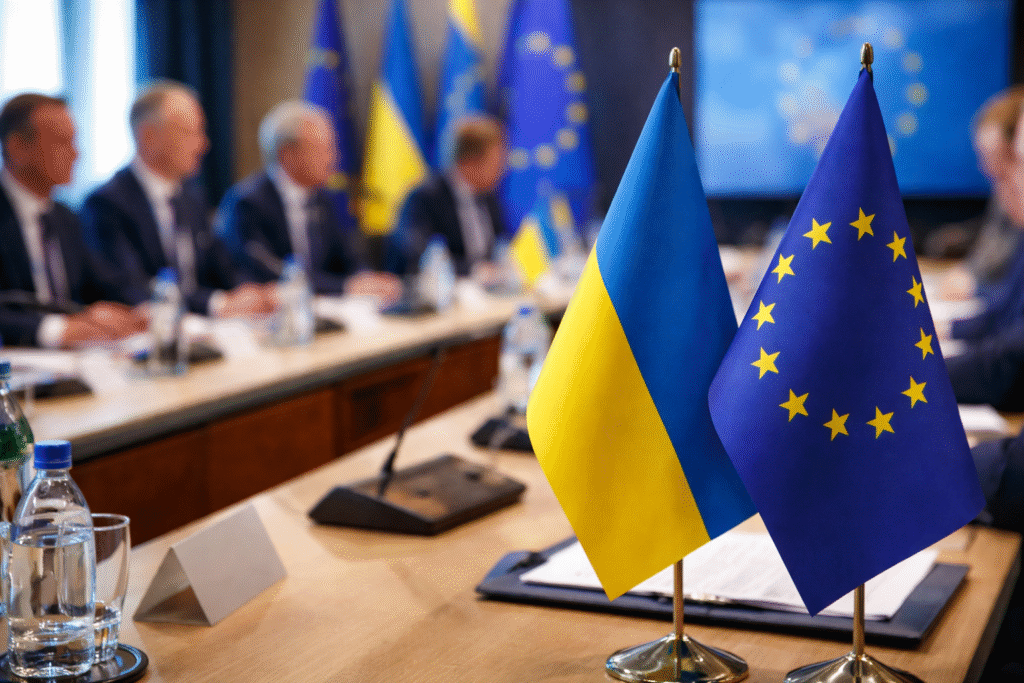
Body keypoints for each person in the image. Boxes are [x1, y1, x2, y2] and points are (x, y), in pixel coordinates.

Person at [80, 82, 274, 318]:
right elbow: (131, 288)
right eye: (190, 132)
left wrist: (249, 292)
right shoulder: (106, 204)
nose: (203, 145)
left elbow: (223, 266)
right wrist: (215, 303)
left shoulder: (192, 199)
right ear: (148, 136)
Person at [0, 93, 145, 348]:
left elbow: (105, 283)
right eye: (62, 142)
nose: (76, 154)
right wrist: (58, 329)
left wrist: (143, 311)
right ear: (17, 148)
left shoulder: (64, 217)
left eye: (74, 141)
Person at [218, 100, 400, 303]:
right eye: (323, 149)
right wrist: (345, 286)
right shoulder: (248, 204)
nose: (333, 159)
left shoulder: (325, 200)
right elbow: (274, 273)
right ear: (287, 155)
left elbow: (349, 258)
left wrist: (366, 279)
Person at [385, 115, 507, 279]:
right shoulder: (426, 198)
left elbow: (500, 246)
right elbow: (417, 256)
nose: (502, 170)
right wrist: (473, 269)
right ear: (469, 162)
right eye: (495, 163)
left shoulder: (488, 198)